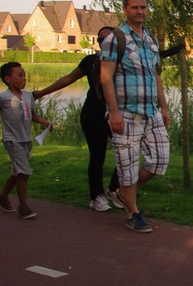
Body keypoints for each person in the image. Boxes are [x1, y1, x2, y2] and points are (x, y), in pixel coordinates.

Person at [34, 27, 185, 213]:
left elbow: (153, 66)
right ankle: (96, 196)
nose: (104, 42)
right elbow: (68, 78)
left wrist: (163, 105)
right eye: (100, 40)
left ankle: (115, 189)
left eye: (108, 39)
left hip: (120, 114)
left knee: (128, 152)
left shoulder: (126, 62)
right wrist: (42, 93)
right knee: (97, 155)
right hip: (94, 114)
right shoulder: (91, 61)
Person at [99, 0, 170, 233]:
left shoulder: (151, 40)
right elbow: (105, 77)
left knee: (160, 159)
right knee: (127, 167)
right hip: (126, 112)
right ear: (125, 9)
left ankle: (123, 193)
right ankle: (133, 213)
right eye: (135, 7)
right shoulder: (115, 39)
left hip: (151, 112)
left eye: (143, 7)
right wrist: (114, 113)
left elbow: (156, 76)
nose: (140, 12)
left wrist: (164, 106)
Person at [0, 62, 51, 220]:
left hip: (26, 139)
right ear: (7, 79)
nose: (24, 79)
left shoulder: (28, 96)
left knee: (17, 172)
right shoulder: (3, 97)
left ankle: (3, 195)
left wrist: (45, 122)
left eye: (24, 76)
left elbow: (32, 115)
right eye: (19, 76)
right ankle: (23, 207)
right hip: (12, 140)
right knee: (24, 172)